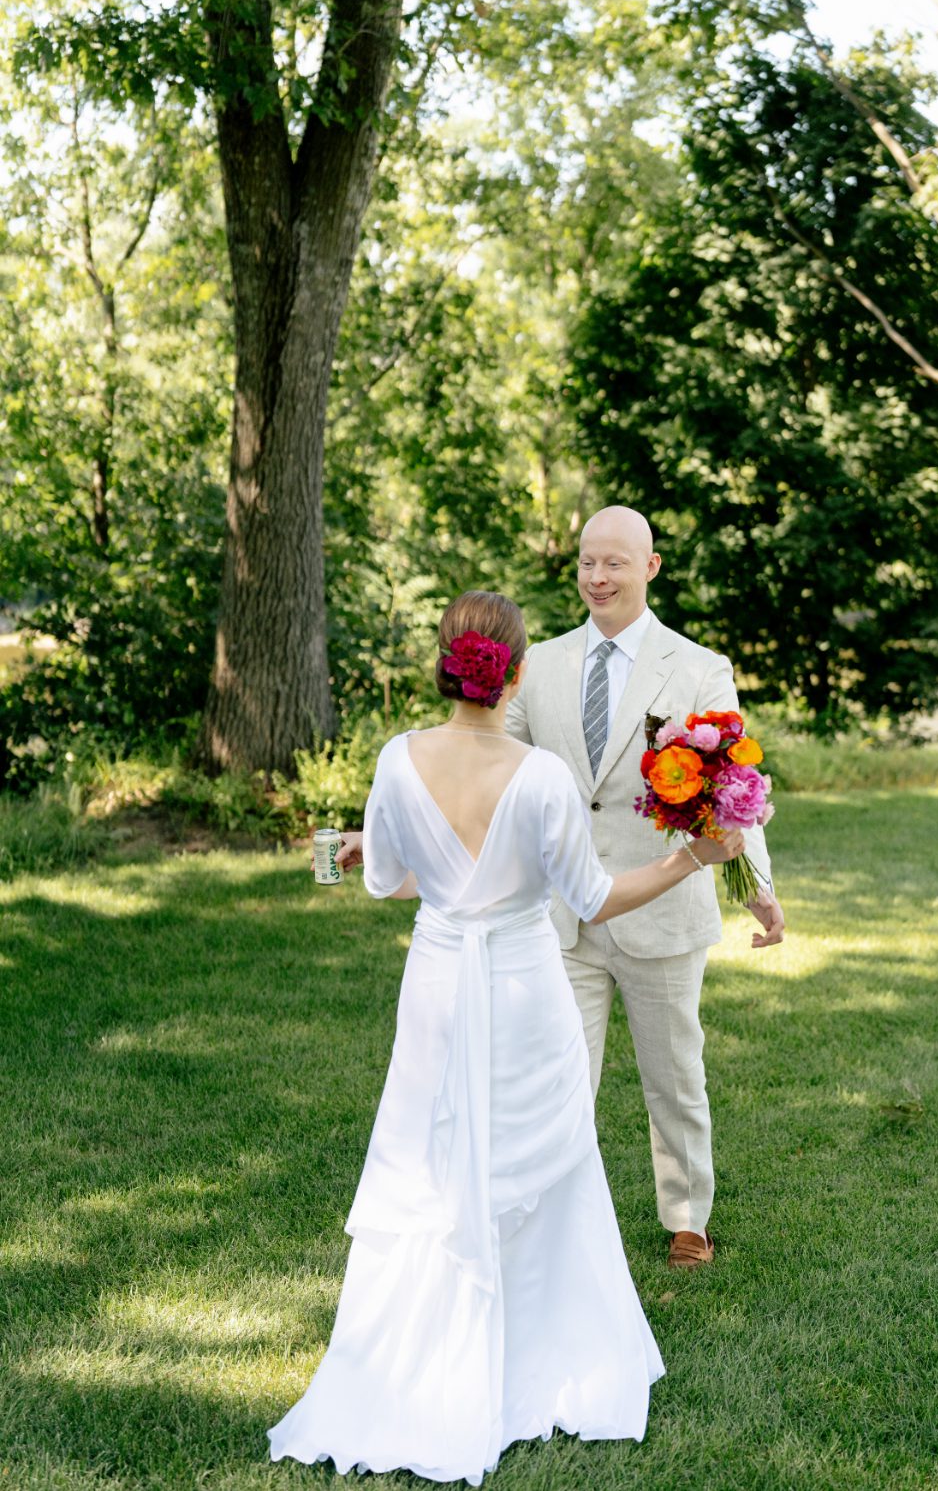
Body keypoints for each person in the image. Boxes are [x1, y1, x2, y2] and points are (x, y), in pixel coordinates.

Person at [268, 590, 745, 1486]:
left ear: (446, 661)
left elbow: (391, 877)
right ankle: (543, 1353)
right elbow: (593, 899)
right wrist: (692, 859)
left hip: (440, 983)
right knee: (543, 1160)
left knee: (429, 1150)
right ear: (517, 672)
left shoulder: (397, 760)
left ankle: (414, 1362)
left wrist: (399, 862)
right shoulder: (539, 776)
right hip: (526, 989)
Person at [504, 505, 785, 1271]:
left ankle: (688, 1217)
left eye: (615, 563)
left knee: (674, 1076)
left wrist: (757, 885)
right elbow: (496, 766)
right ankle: (552, 1219)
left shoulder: (698, 667)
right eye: (588, 563)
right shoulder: (543, 663)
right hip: (562, 913)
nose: (598, 577)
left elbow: (735, 787)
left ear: (650, 567)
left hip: (664, 909)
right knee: (560, 1077)